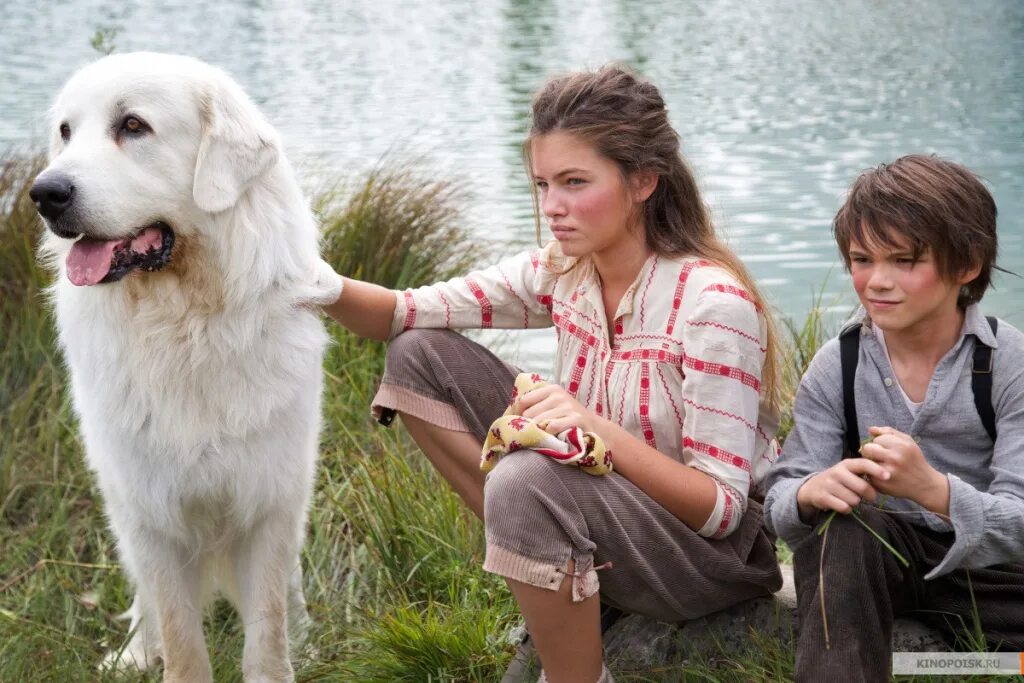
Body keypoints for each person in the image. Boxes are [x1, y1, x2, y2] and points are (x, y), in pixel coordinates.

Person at [322, 65, 783, 683]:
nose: (553, 207)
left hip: (705, 560)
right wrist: (304, 279)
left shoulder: (713, 305)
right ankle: (552, 573)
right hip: (605, 510)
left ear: (644, 179)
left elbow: (723, 510)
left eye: (574, 182)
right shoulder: (565, 268)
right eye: (543, 184)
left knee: (525, 476)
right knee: (417, 352)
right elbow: (401, 314)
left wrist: (590, 426)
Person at [763, 155, 1024, 682]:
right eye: (862, 259)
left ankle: (946, 662)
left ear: (967, 265)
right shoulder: (838, 362)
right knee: (845, 530)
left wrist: (932, 489)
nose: (877, 282)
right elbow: (778, 499)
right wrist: (812, 491)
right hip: (875, 561)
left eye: (904, 261)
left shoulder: (1007, 362)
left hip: (992, 576)